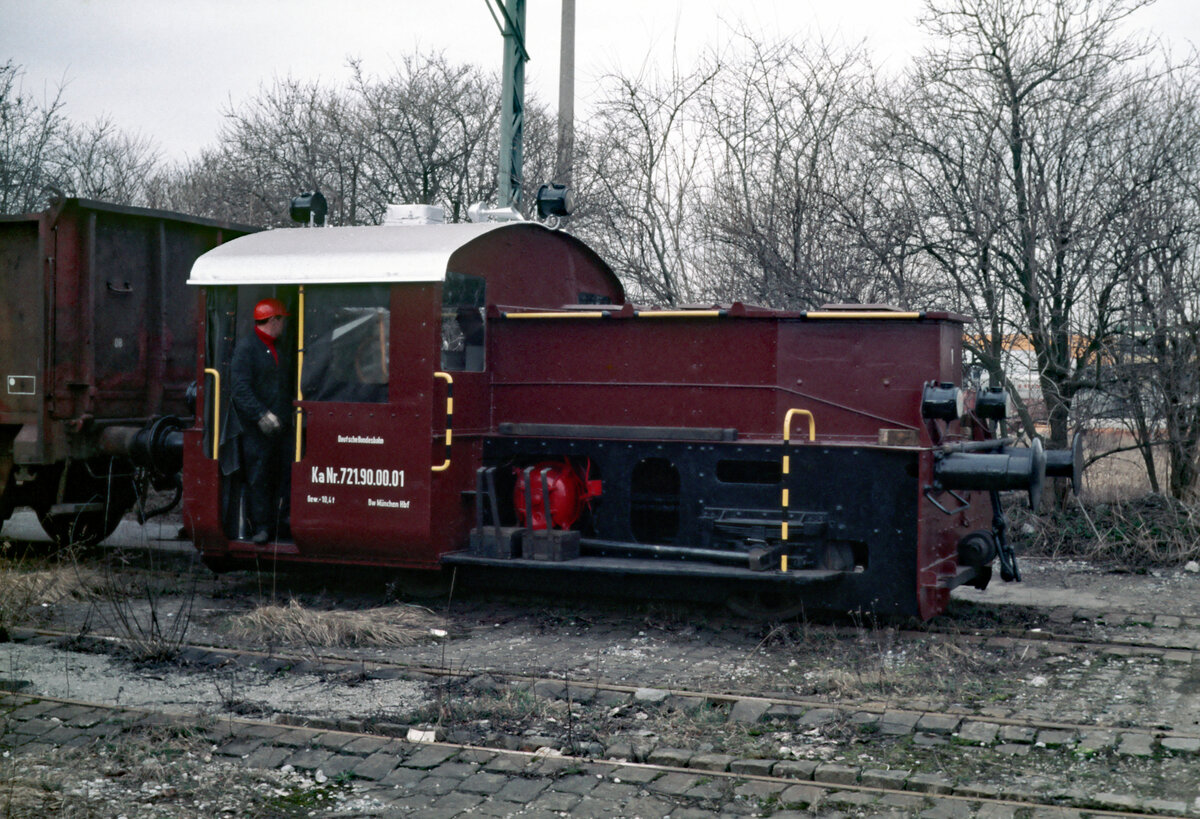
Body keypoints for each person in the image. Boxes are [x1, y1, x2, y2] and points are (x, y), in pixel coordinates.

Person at [230, 297, 292, 543]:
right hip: (258, 428)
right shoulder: (247, 348)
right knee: (259, 476)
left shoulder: (280, 347)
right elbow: (240, 388)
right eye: (282, 320)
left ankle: (280, 523)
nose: (284, 325)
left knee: (284, 473)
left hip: (282, 424)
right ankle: (261, 528)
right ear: (274, 320)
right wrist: (261, 415)